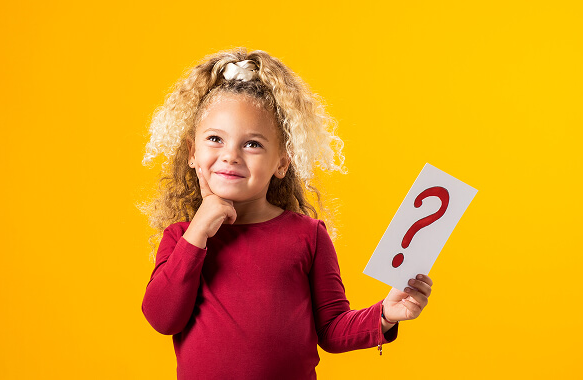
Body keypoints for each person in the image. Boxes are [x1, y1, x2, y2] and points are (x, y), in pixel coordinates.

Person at [140, 48, 433, 379]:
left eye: (253, 144)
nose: (231, 156)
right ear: (193, 153)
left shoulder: (308, 236)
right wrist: (197, 235)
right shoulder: (181, 238)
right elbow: (162, 318)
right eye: (215, 139)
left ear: (282, 162)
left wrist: (385, 315)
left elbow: (332, 328)